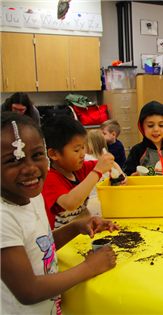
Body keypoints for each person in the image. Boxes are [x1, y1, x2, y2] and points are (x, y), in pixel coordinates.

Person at [0, 112, 118, 314]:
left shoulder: (33, 197)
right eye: (13, 160)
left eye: (37, 155)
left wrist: (74, 227)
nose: (30, 168)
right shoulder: (3, 217)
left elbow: (40, 245)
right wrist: (89, 267)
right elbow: (28, 290)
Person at [42, 115, 126, 229]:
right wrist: (97, 172)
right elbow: (70, 203)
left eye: (83, 147)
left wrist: (120, 174)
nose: (83, 154)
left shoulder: (77, 169)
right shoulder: (49, 178)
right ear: (54, 154)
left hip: (79, 232)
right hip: (60, 242)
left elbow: (108, 163)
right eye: (76, 150)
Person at [123, 101, 163, 179]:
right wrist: (131, 179)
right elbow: (125, 176)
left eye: (161, 125)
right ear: (142, 127)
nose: (156, 129)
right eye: (150, 126)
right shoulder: (137, 151)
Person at [84, 130, 125, 200]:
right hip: (106, 195)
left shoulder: (87, 158)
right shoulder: (106, 159)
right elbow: (115, 164)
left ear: (88, 144)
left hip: (92, 196)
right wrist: (122, 174)